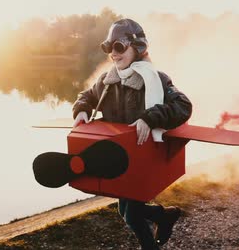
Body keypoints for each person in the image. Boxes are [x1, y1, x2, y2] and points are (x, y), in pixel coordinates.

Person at [72, 18, 193, 249]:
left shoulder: (156, 79)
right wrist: (82, 110)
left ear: (137, 48)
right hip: (120, 159)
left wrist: (150, 117)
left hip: (143, 158)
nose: (114, 55)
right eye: (109, 48)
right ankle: (164, 216)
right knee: (123, 210)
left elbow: (183, 106)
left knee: (132, 215)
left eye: (119, 47)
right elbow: (86, 96)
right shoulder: (108, 81)